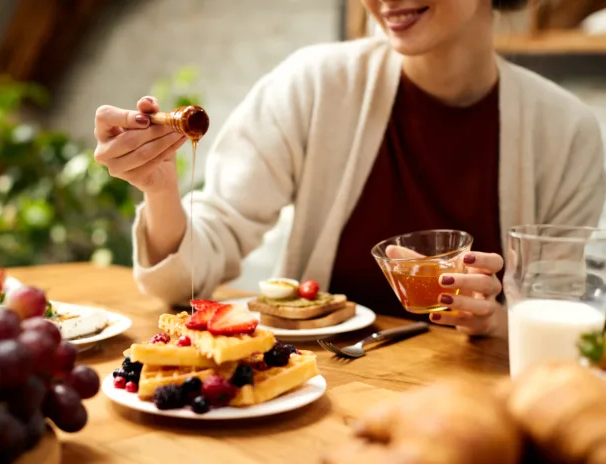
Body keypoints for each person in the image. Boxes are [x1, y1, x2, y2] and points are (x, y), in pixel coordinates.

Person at [93, 0, 606, 338]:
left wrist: (494, 323)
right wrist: (160, 190)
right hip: (321, 402)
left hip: (475, 418)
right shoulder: (312, 85)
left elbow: (561, 328)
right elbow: (191, 271)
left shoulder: (568, 135)